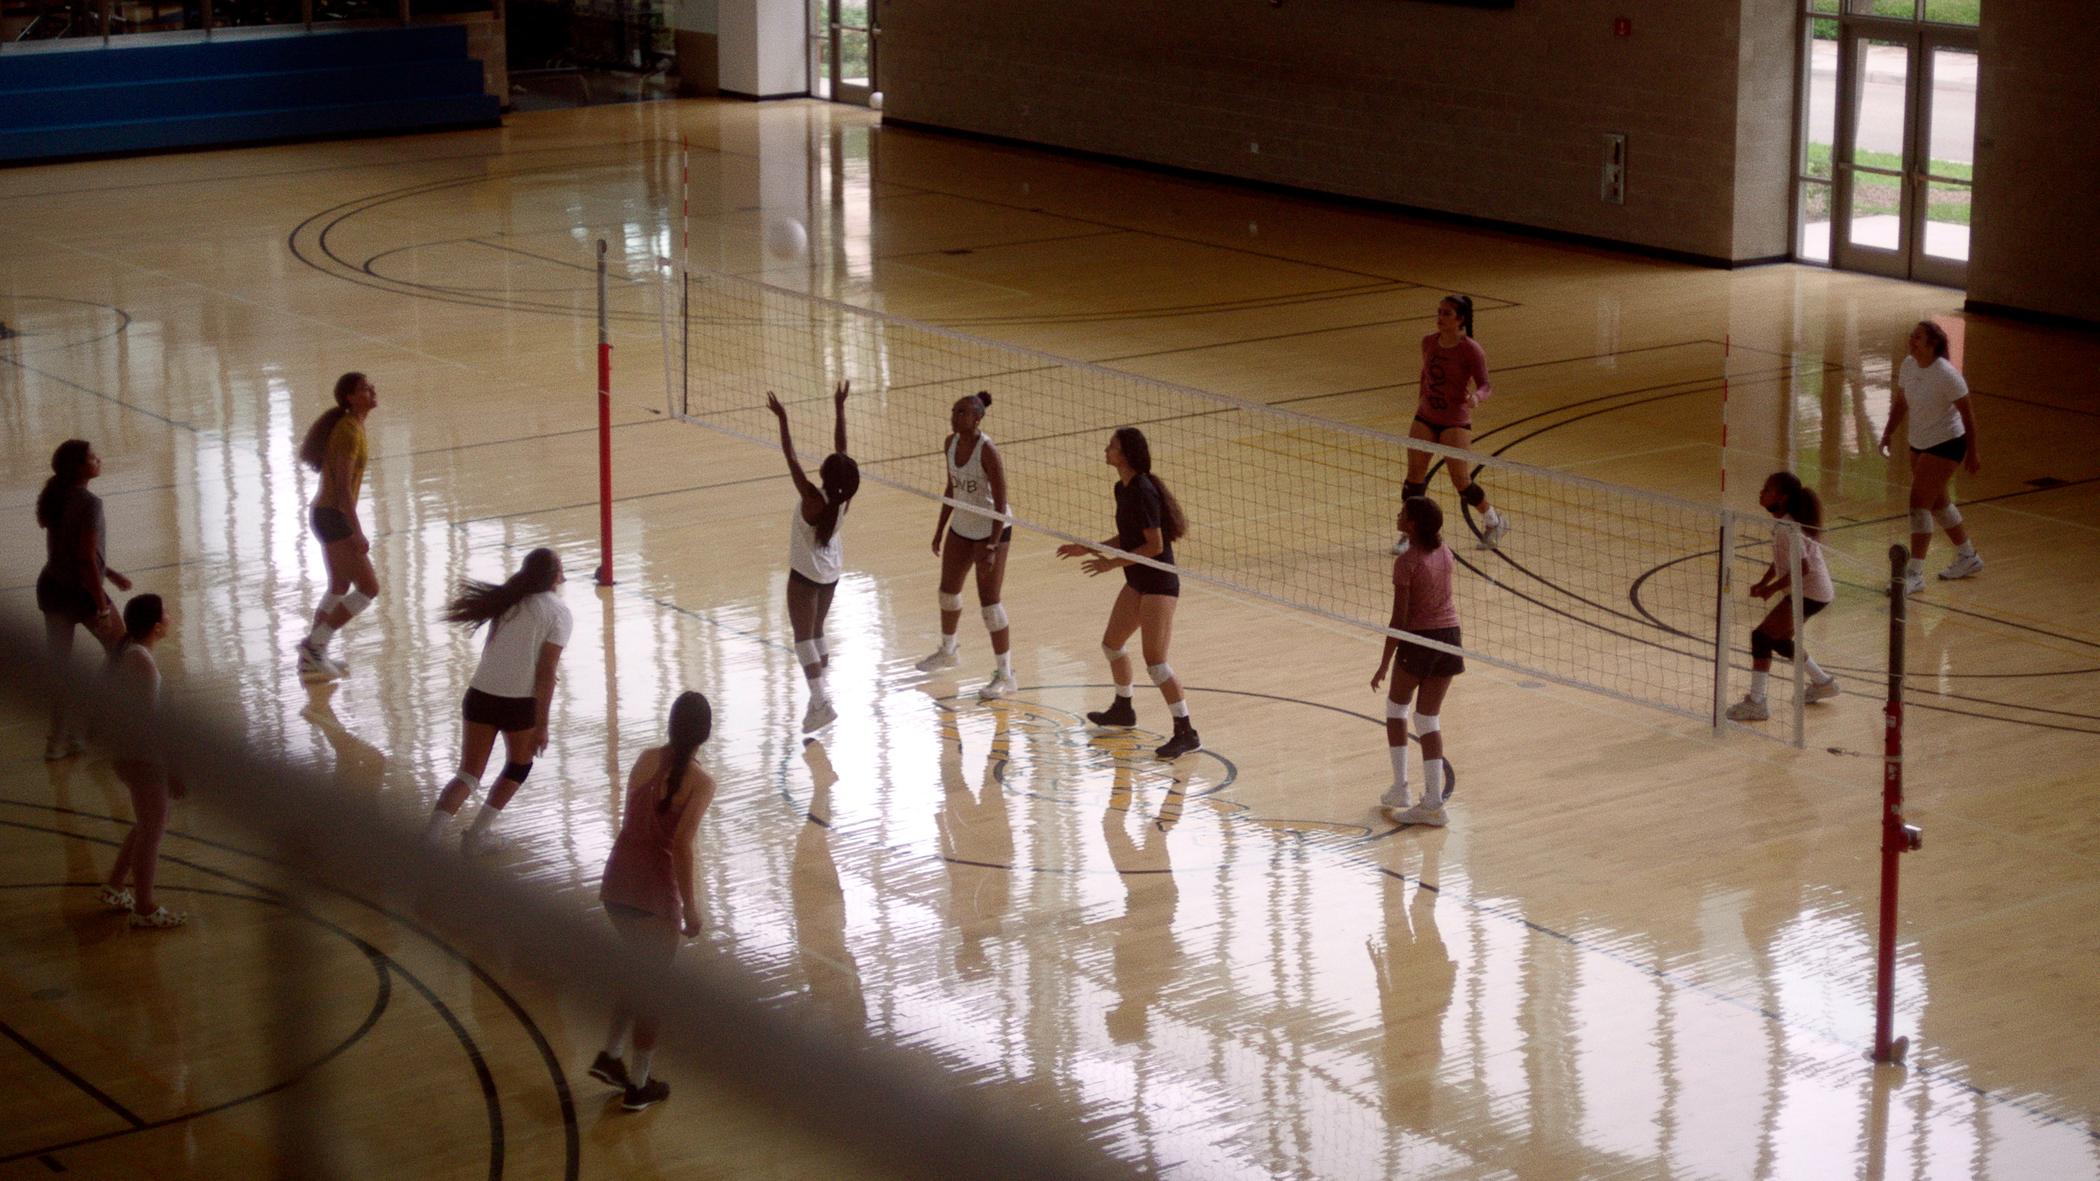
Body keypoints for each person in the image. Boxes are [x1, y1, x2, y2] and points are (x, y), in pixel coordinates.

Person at [588, 690, 715, 1113]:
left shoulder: (645, 759)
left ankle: (610, 1055)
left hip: (617, 881)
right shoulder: (702, 782)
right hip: (653, 894)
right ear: (705, 734)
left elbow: (635, 821)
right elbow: (681, 847)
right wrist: (692, 908)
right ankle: (639, 1084)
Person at [1057, 427, 1201, 760]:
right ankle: (1124, 708)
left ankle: (1186, 732)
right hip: (1138, 580)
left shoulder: (1144, 491)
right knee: (1111, 645)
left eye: (1113, 446)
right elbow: (1129, 537)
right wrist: (1088, 547)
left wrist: (1111, 565)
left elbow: (1155, 545)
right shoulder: (1122, 489)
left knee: (1156, 663)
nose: (1106, 449)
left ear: (1126, 455)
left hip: (1160, 584)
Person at [424, 548, 571, 854]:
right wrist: (542, 725)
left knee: (468, 774)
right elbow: (546, 673)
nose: (564, 574)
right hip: (517, 704)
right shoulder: (558, 612)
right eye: (561, 569)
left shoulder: (508, 600)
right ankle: (476, 836)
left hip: (479, 695)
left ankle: (429, 840)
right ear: (555, 576)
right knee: (519, 766)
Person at [767, 382, 859, 733]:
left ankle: (821, 701)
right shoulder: (843, 499)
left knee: (803, 638)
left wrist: (783, 418)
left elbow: (790, 457)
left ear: (824, 474)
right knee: (817, 631)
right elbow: (843, 452)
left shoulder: (811, 498)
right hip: (830, 572)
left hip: (806, 576)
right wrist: (839, 408)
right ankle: (817, 695)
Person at [914, 391, 1017, 700]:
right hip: (961, 526)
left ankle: (1006, 675)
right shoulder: (950, 443)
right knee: (948, 593)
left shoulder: (988, 451)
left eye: (961, 412)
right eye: (953, 411)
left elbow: (1000, 502)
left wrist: (993, 545)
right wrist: (939, 528)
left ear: (977, 418)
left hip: (991, 529)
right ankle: (948, 651)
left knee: (991, 605)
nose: (954, 416)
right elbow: (951, 487)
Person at [35, 440, 131, 760]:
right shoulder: (90, 504)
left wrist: (111, 573)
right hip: (80, 592)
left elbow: (69, 551)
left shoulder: (56, 497)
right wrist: (101, 604)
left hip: (52, 587)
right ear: (79, 467)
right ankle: (93, 721)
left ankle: (57, 740)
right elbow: (86, 560)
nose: (98, 459)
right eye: (92, 457)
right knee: (122, 650)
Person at [1370, 497, 1462, 827]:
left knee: (1396, 708)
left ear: (1412, 525)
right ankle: (1433, 803)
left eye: (1403, 513)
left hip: (1420, 641)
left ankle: (1401, 788)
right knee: (1428, 719)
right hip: (1450, 639)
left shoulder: (1407, 563)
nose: (1397, 515)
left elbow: (1400, 619)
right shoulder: (1446, 552)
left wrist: (1383, 663)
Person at [100, 594, 188, 929]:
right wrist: (173, 769)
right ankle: (145, 907)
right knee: (153, 829)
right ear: (155, 625)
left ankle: (114, 886)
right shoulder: (143, 664)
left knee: (146, 823)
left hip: (127, 754)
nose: (169, 615)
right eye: (166, 611)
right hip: (142, 758)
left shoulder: (130, 653)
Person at [1396, 295, 1507, 553]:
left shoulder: (1471, 349)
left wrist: (1476, 398)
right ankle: (1409, 534)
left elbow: (1485, 384)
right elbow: (1425, 374)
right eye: (1439, 312)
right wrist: (1420, 400)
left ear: (1461, 319)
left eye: (1446, 313)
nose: (1440, 317)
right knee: (1414, 480)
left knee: (1461, 481)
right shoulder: (1428, 342)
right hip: (1426, 416)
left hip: (1455, 421)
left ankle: (1494, 520)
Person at [1726, 473, 1841, 722]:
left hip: (1810, 592)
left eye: (1767, 490)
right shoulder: (1783, 524)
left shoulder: (1789, 528)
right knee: (1778, 640)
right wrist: (1765, 582)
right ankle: (1823, 682)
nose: (1761, 493)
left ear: (1783, 497)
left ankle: (1757, 702)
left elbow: (1802, 569)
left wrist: (1770, 589)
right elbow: (1782, 560)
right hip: (1813, 592)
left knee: (1761, 636)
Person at [1880, 320, 1982, 595]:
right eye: (1911, 336)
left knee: (1918, 503)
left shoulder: (1947, 374)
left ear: (1932, 343)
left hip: (1947, 443)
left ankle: (1914, 573)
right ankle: (1967, 556)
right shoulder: (1909, 365)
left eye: (1917, 338)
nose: (1911, 341)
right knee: (1938, 502)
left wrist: (1972, 452)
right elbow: (1901, 403)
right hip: (1919, 442)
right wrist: (1888, 432)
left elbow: (1967, 415)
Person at [295, 373, 381, 681]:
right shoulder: (347, 431)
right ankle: (314, 648)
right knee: (369, 588)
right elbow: (343, 488)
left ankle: (312, 656)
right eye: (364, 389)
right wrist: (356, 531)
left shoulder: (354, 426)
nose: (372, 391)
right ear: (349, 397)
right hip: (333, 516)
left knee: (339, 586)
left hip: (326, 515)